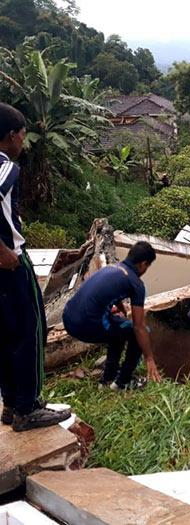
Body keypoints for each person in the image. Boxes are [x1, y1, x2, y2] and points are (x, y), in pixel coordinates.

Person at [0, 103, 70, 432]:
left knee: (5, 335)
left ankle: (12, 403)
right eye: (23, 135)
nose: (23, 143)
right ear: (11, 135)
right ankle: (28, 408)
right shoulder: (6, 167)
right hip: (12, 265)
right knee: (31, 333)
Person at [62, 242, 162, 390]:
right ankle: (123, 381)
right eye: (147, 266)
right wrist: (149, 358)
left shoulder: (110, 268)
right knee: (138, 332)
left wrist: (119, 303)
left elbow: (106, 290)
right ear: (143, 264)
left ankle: (108, 379)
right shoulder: (136, 284)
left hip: (68, 319)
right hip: (86, 326)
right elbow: (139, 326)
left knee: (119, 328)